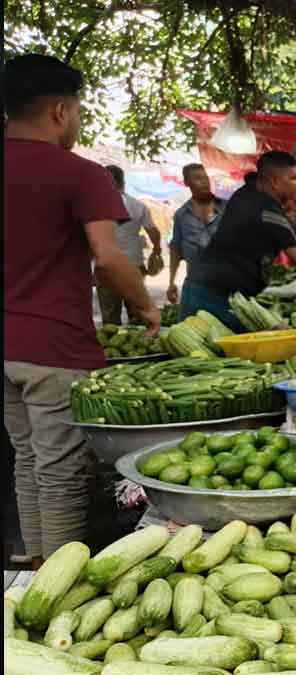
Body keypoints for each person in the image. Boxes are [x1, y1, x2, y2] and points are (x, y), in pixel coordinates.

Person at [4, 54, 159, 567]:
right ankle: (60, 585)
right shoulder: (80, 173)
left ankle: (37, 572)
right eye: (77, 110)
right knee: (62, 469)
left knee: (28, 462)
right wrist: (145, 309)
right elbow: (110, 259)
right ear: (59, 111)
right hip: (53, 345)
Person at [181, 151, 296, 329]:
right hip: (216, 300)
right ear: (274, 182)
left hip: (200, 286)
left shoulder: (245, 193)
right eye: (294, 178)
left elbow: (268, 176)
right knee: (211, 353)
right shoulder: (271, 214)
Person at [99, 164, 162, 325]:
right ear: (123, 181)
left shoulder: (97, 206)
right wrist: (157, 248)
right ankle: (141, 346)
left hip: (108, 266)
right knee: (138, 313)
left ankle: (112, 346)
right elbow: (153, 232)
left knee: (110, 315)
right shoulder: (138, 205)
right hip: (134, 265)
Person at [167, 163, 226, 304]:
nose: (204, 182)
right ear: (187, 182)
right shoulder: (181, 215)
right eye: (198, 178)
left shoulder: (228, 208)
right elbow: (175, 249)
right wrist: (171, 282)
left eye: (205, 178)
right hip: (196, 282)